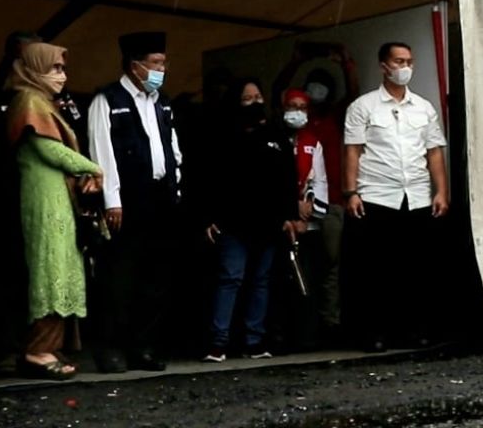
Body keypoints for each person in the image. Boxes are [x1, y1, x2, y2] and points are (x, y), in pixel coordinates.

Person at [5, 43, 104, 379]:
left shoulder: (40, 101)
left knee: (60, 268)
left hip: (56, 199)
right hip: (45, 202)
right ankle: (37, 350)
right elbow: (50, 149)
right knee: (50, 271)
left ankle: (47, 345)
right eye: (55, 69)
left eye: (63, 69)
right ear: (34, 69)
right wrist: (93, 168)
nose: (63, 76)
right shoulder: (29, 101)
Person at [342, 42, 447, 352]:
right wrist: (351, 192)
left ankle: (415, 332)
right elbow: (352, 151)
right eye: (399, 61)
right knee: (377, 271)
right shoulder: (364, 106)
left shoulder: (424, 107)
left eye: (409, 61)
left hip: (415, 196)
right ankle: (375, 334)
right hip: (377, 196)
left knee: (415, 269)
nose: (405, 67)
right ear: (383, 66)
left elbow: (434, 153)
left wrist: (441, 192)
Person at [87, 31, 183, 372]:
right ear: (135, 65)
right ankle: (111, 347)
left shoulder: (162, 101)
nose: (161, 69)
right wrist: (112, 200)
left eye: (163, 62)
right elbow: (102, 154)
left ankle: (143, 345)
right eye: (156, 63)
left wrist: (176, 184)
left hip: (160, 198)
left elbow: (171, 148)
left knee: (155, 277)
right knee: (119, 277)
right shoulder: (108, 100)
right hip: (127, 200)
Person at [201, 79, 300, 362]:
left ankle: (253, 341)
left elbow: (287, 178)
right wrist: (209, 217)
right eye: (247, 98)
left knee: (261, 281)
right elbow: (209, 180)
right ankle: (218, 342)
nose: (255, 102)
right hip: (233, 222)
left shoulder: (274, 134)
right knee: (230, 278)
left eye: (258, 96)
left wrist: (289, 216)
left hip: (269, 223)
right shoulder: (222, 135)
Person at [273, 42, 359, 338]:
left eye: (323, 87)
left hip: (332, 203)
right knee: (302, 266)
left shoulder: (335, 116)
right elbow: (279, 91)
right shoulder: (290, 125)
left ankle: (330, 324)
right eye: (313, 87)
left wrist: (346, 63)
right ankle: (303, 327)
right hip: (300, 209)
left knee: (331, 268)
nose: (317, 92)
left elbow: (353, 95)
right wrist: (295, 62)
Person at [0, 31, 41, 376]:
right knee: (8, 272)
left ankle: (29, 344)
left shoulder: (43, 92)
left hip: (35, 193)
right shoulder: (7, 89)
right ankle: (7, 347)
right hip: (7, 193)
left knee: (29, 271)